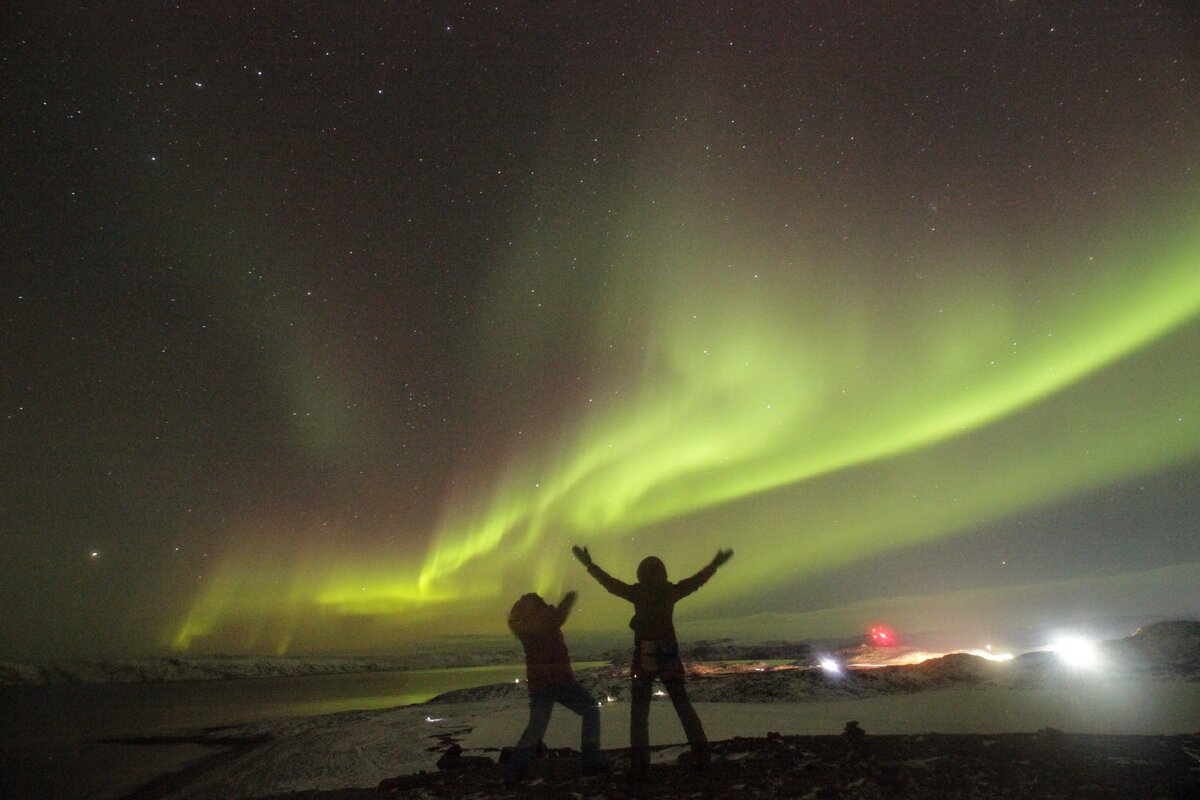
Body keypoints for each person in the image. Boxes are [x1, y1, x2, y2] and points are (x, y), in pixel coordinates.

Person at [572, 545, 733, 774]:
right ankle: (702, 757)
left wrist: (589, 565)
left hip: (644, 656)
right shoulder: (671, 591)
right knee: (683, 707)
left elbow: (610, 584)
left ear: (640, 574)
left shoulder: (638, 593)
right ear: (663, 573)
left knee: (639, 713)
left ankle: (640, 765)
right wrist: (714, 565)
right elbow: (696, 581)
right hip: (668, 654)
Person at [503, 590, 605, 786]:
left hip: (541, 683)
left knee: (536, 728)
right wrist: (567, 601)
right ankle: (591, 761)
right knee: (590, 710)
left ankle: (513, 772)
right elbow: (558, 617)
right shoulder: (543, 620)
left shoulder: (522, 625)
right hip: (558, 681)